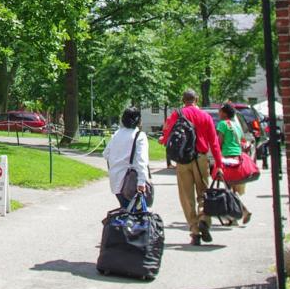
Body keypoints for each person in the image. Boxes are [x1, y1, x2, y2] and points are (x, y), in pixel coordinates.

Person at [159, 89, 221, 246]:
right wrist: (218, 164)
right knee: (204, 193)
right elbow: (214, 142)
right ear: (197, 99)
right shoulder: (205, 116)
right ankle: (204, 220)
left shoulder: (176, 114)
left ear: (183, 99)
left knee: (186, 196)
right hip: (200, 157)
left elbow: (167, 134)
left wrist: (164, 140)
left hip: (183, 159)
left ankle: (194, 231)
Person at [104, 106, 150, 209]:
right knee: (136, 217)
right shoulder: (139, 136)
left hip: (116, 181)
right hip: (131, 183)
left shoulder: (117, 134)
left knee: (126, 211)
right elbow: (142, 161)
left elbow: (106, 154)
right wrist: (142, 182)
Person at [216, 102, 254, 225]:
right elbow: (241, 140)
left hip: (227, 157)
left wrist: (217, 156)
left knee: (228, 188)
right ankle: (234, 215)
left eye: (220, 111)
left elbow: (219, 142)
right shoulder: (236, 125)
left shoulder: (222, 124)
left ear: (225, 113)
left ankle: (243, 211)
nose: (218, 113)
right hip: (238, 157)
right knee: (231, 187)